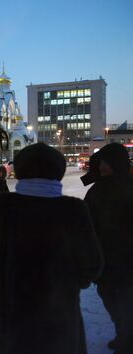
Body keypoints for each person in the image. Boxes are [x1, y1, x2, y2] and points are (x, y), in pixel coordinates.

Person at [0, 143, 103, 354]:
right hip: (61, 319)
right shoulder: (74, 209)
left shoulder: (5, 205)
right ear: (58, 171)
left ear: (21, 169)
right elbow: (92, 264)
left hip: (17, 318)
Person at [84, 143, 133, 353]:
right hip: (107, 258)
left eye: (107, 162)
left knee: (123, 301)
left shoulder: (122, 187)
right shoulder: (98, 189)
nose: (102, 166)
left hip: (123, 259)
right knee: (112, 298)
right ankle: (123, 333)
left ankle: (126, 338)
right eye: (101, 161)